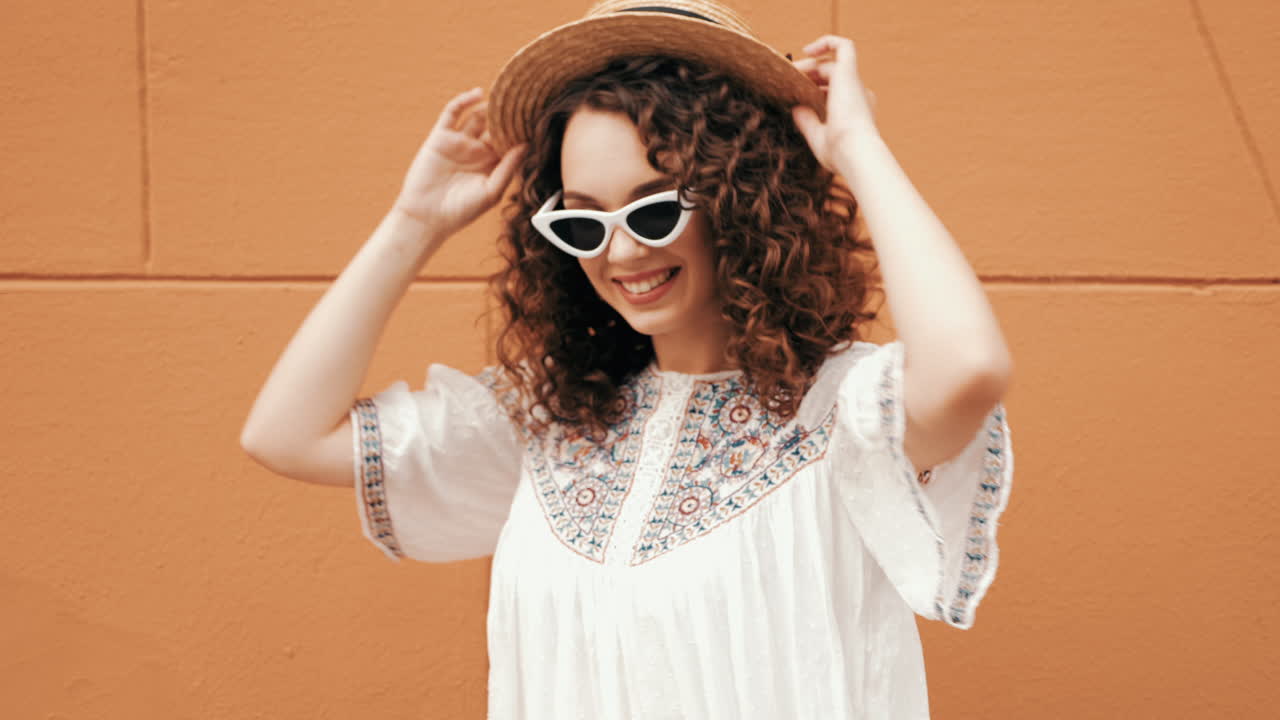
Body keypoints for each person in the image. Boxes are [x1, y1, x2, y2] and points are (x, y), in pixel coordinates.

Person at [241, 0, 1016, 717]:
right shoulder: (549, 421)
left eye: (652, 208)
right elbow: (284, 434)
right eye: (581, 225)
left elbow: (970, 367)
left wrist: (856, 148)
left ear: (740, 198)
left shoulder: (845, 413)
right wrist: (413, 223)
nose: (620, 250)